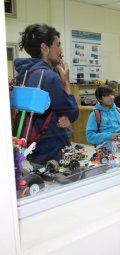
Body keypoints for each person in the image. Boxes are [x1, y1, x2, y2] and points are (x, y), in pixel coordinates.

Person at [14, 24, 79, 165]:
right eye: (58, 45)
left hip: (33, 146)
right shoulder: (50, 77)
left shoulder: (25, 74)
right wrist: (66, 82)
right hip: (53, 149)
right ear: (45, 48)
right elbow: (72, 113)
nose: (61, 50)